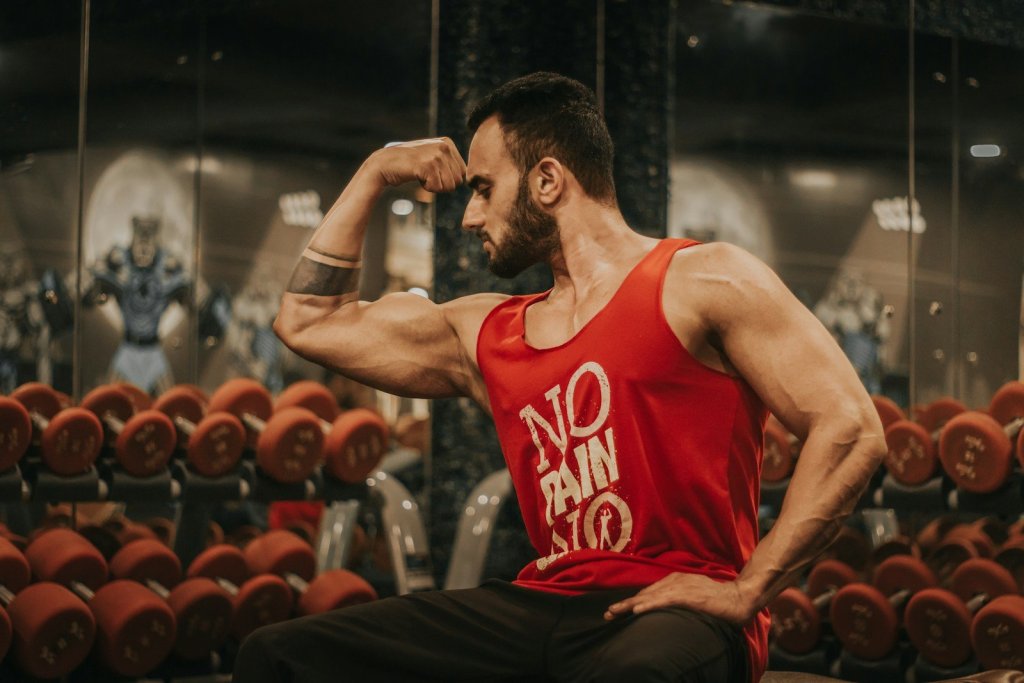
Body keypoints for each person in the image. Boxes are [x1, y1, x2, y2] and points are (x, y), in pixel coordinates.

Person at [235, 72, 886, 683]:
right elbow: (308, 321)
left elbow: (852, 430)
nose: (469, 217)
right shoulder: (487, 334)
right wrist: (377, 170)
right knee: (279, 656)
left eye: (484, 188)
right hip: (541, 603)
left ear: (547, 181)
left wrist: (748, 590)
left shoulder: (702, 280)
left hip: (675, 607)